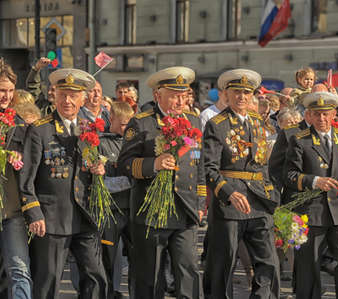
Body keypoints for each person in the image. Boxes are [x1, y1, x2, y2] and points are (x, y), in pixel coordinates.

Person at [19, 68, 108, 299]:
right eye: (62, 94)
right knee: (48, 280)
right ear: (54, 96)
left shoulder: (89, 129)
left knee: (96, 277)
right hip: (53, 218)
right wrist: (34, 212)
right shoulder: (41, 130)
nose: (67, 100)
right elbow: (26, 177)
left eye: (72, 95)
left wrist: (99, 169)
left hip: (84, 216)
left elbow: (91, 166)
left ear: (83, 98)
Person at [118, 66, 205, 299]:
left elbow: (199, 163)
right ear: (158, 96)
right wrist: (153, 164)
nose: (180, 101)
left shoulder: (193, 120)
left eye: (183, 95)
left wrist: (201, 201)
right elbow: (124, 163)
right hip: (151, 211)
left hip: (185, 208)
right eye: (174, 95)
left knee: (188, 270)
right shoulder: (142, 122)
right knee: (150, 275)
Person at [203, 69, 280, 299]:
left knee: (269, 262)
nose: (242, 97)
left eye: (247, 93)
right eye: (237, 92)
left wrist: (272, 195)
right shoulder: (217, 124)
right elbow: (209, 168)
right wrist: (228, 193)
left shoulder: (260, 123)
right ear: (226, 94)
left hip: (259, 202)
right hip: (230, 204)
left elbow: (265, 164)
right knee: (222, 264)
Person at [283, 91, 338, 299]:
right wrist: (315, 181)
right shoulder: (299, 140)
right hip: (311, 211)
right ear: (308, 116)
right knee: (309, 264)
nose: (322, 119)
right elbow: (289, 175)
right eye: (316, 114)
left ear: (334, 114)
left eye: (326, 114)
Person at [0, 57, 33, 299]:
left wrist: (19, 158)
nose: (7, 96)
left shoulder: (19, 124)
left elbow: (30, 166)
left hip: (11, 210)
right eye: (2, 90)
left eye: (10, 91)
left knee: (19, 270)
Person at [99, 101, 134, 299]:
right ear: (110, 119)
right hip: (110, 211)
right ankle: (109, 293)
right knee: (108, 258)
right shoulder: (101, 142)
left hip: (132, 209)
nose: (127, 130)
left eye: (129, 126)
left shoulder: (134, 143)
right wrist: (130, 181)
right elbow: (101, 182)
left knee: (137, 258)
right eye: (122, 125)